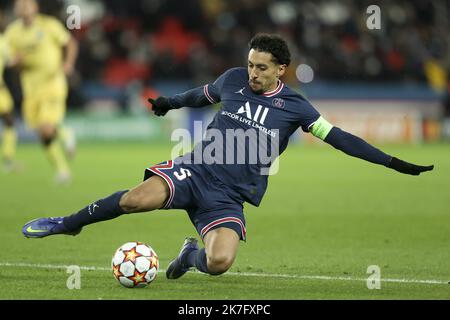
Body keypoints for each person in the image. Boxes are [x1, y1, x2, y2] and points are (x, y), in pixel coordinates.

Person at [22, 34, 434, 279]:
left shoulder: (298, 107)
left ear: (281, 70)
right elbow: (200, 95)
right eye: (250, 65)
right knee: (133, 200)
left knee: (219, 263)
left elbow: (341, 138)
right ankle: (68, 223)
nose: (252, 73)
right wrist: (167, 102)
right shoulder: (232, 80)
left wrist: (392, 162)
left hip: (229, 196)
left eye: (262, 68)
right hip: (194, 171)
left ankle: (189, 256)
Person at [4, 0, 78, 183]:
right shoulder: (13, 32)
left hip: (52, 83)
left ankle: (64, 134)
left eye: (27, 5)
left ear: (35, 8)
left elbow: (70, 43)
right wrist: (15, 61)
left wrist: (68, 64)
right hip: (30, 87)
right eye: (19, 6)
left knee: (46, 127)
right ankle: (62, 168)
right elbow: (7, 59)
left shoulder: (49, 25)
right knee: (41, 132)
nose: (23, 8)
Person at [0, 30, 18, 172]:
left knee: (9, 121)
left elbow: (9, 61)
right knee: (9, 121)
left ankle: (8, 158)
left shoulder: (3, 41)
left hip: (1, 90)